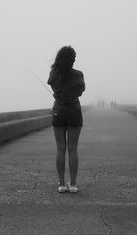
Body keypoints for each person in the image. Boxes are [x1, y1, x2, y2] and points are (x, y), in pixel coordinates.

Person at [47, 46, 85, 193]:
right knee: (73, 148)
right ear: (72, 59)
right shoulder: (79, 74)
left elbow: (52, 85)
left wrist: (59, 95)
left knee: (60, 148)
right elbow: (80, 91)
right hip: (74, 111)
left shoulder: (54, 73)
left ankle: (62, 184)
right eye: (74, 58)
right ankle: (73, 184)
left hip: (59, 112)